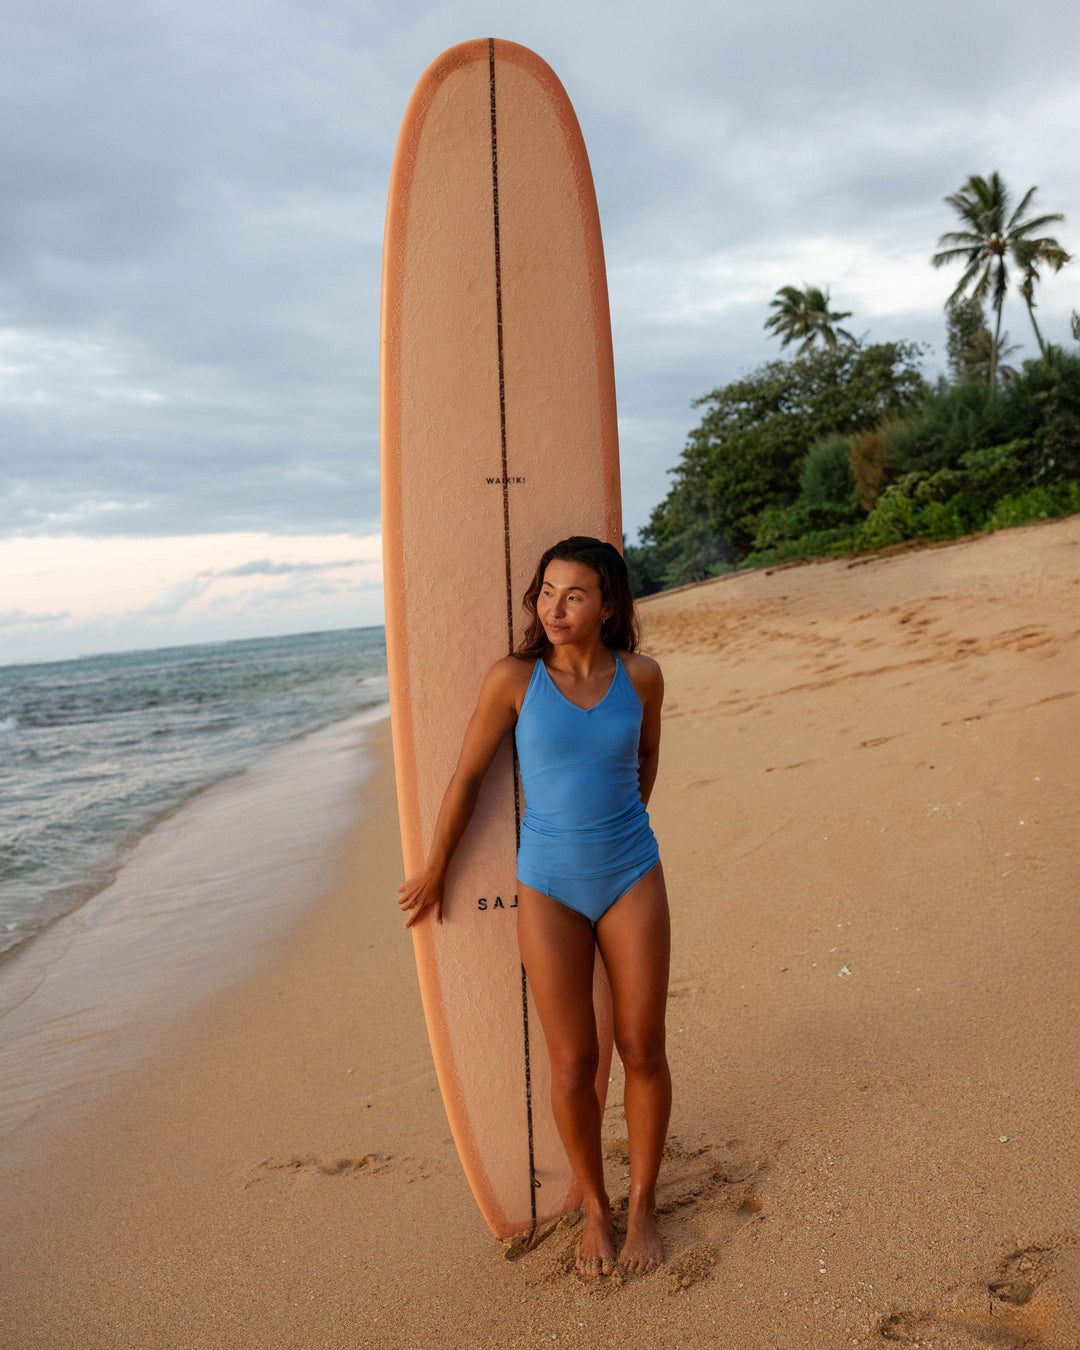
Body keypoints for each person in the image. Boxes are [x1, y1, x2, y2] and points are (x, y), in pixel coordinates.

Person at [397, 536, 671, 1277]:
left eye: (574, 594)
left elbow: (645, 757)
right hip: (547, 884)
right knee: (573, 1060)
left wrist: (623, 825)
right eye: (546, 591)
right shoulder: (515, 680)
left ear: (607, 604)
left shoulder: (641, 677)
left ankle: (643, 1204)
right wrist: (435, 867)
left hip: (631, 874)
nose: (555, 607)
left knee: (642, 1049)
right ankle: (596, 1205)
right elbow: (467, 776)